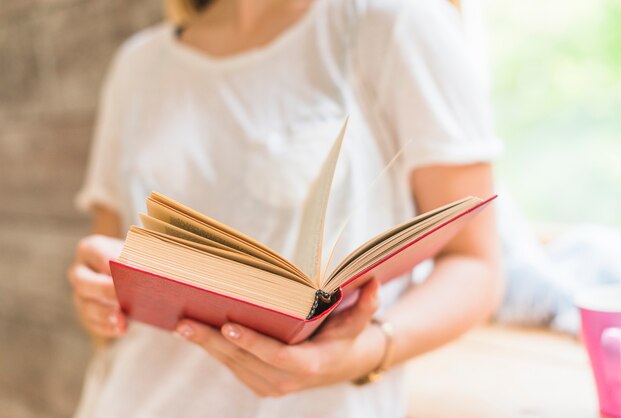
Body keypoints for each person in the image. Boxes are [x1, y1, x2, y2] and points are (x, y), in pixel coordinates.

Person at [67, 0, 503, 416]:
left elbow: (476, 264)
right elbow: (112, 269)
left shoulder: (396, 23)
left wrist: (365, 351)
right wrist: (97, 300)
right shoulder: (138, 65)